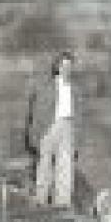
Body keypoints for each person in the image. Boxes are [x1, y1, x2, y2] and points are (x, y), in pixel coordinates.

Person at [26, 51, 77, 210]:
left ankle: (62, 202)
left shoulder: (74, 89)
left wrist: (77, 137)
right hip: (49, 126)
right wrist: (34, 135)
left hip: (67, 126)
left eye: (70, 66)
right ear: (57, 67)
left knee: (65, 165)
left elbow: (78, 114)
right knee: (44, 165)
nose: (67, 69)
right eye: (64, 66)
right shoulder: (46, 88)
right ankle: (40, 199)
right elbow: (36, 112)